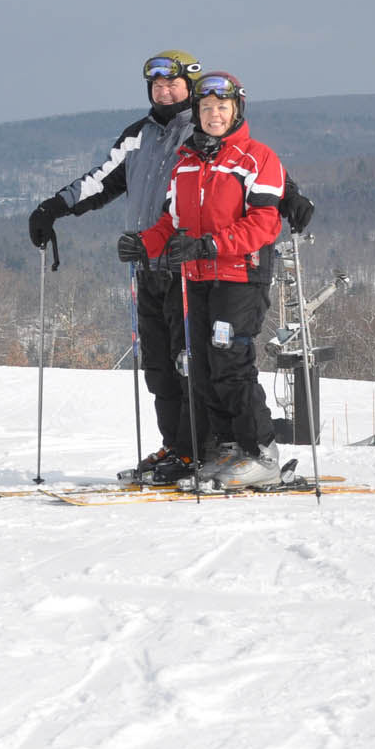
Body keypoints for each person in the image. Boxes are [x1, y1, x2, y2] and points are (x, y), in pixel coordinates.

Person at [27, 51, 205, 483]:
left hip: (192, 268)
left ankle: (200, 448)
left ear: (190, 87)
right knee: (159, 366)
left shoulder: (204, 129)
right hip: (146, 269)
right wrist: (53, 208)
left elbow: (246, 168)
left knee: (190, 363)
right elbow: (101, 180)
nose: (165, 91)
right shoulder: (139, 135)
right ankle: (176, 449)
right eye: (157, 86)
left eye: (173, 84)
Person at [120, 71, 285, 490]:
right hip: (196, 277)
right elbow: (171, 223)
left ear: (237, 110)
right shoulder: (188, 161)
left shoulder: (256, 158)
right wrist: (145, 244)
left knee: (230, 362)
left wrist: (211, 245)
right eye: (206, 108)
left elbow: (265, 223)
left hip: (240, 276)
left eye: (222, 108)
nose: (213, 115)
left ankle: (261, 451)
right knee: (201, 365)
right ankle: (227, 446)